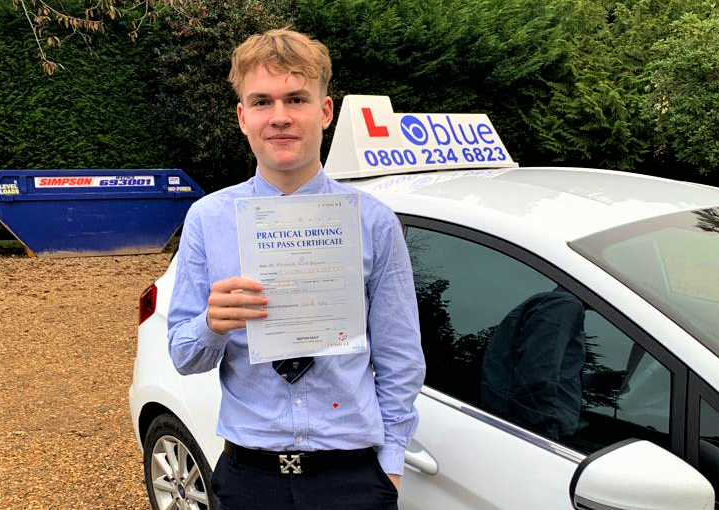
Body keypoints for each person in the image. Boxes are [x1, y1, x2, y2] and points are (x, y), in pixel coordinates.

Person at [167, 28, 425, 510]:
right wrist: (211, 324)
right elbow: (185, 357)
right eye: (262, 101)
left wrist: (389, 464)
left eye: (297, 99)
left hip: (351, 475)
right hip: (249, 476)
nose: (280, 117)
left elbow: (399, 354)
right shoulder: (207, 219)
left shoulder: (372, 220)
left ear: (325, 111)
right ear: (243, 117)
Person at [481, 285, 586, 440]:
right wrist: (544, 436)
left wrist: (596, 380)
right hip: (532, 434)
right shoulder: (564, 305)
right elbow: (536, 376)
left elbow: (550, 374)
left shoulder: (559, 306)